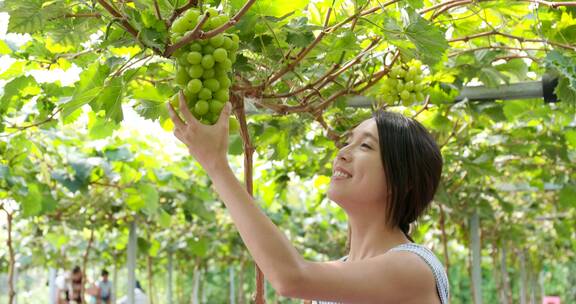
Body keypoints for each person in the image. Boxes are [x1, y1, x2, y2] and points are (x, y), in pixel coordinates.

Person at [167, 92, 450, 303]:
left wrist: (217, 165)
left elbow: (291, 277)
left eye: (365, 145)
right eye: (347, 141)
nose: (342, 152)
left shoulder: (413, 268)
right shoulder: (336, 275)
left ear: (404, 180)